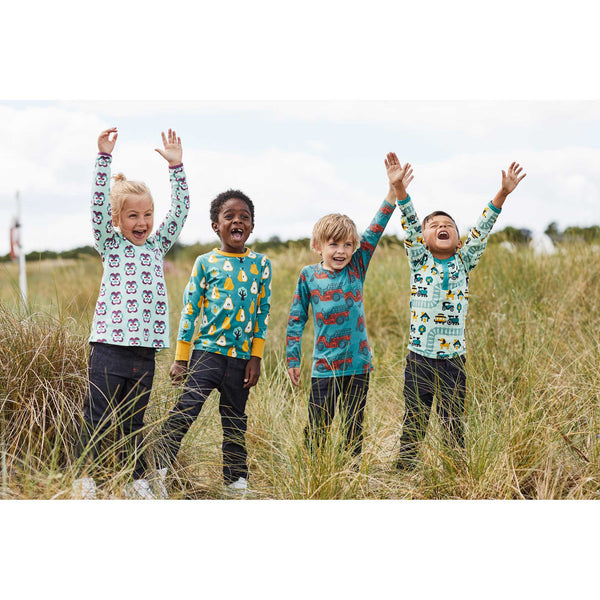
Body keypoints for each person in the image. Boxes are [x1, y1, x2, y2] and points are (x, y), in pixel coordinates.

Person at [385, 152, 526, 470]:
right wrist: (400, 191)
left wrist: (502, 193)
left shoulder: (464, 261)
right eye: (433, 226)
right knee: (416, 418)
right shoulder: (420, 260)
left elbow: (483, 228)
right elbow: (409, 221)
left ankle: (455, 470)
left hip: (453, 360)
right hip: (419, 357)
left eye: (448, 225)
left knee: (452, 420)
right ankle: (406, 469)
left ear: (459, 239)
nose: (441, 227)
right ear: (422, 238)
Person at [73, 127, 190, 499]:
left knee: (133, 423)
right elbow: (95, 204)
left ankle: (136, 483)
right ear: (117, 219)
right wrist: (104, 158)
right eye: (133, 216)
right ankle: (83, 481)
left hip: (145, 353)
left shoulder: (156, 247)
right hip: (108, 348)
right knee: (97, 418)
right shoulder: (110, 245)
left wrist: (177, 167)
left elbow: (181, 212)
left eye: (148, 215)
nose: (142, 223)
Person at [285, 164, 413, 461]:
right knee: (318, 427)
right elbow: (295, 319)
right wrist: (293, 357)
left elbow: (376, 227)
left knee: (353, 427)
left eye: (347, 245)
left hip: (358, 366)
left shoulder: (357, 266)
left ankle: (352, 475)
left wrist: (393, 190)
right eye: (333, 245)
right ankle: (315, 473)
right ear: (318, 246)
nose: (341, 251)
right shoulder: (309, 275)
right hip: (324, 368)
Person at [156, 189, 272, 495]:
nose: (237, 221)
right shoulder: (205, 263)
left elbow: (262, 313)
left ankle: (236, 482)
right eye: (229, 216)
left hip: (241, 360)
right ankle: (155, 471)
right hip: (207, 354)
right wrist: (182, 358)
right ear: (215, 225)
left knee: (235, 420)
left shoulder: (261, 265)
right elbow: (190, 310)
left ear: (251, 226)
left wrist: (255, 357)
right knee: (185, 411)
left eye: (244, 217)